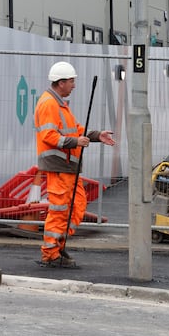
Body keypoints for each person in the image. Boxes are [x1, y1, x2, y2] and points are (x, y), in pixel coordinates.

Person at [34, 61, 115, 268]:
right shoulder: (49, 104)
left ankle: (58, 245)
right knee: (60, 210)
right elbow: (49, 136)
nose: (74, 85)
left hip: (68, 167)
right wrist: (75, 142)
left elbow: (76, 130)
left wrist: (97, 135)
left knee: (76, 206)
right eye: (71, 81)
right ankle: (51, 253)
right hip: (59, 166)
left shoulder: (59, 104)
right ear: (60, 83)